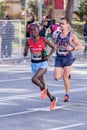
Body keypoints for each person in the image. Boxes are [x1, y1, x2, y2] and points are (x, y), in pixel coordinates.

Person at [23, 24, 57, 110]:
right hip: (34, 64)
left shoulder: (44, 40)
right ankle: (52, 98)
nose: (33, 31)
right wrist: (25, 52)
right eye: (31, 30)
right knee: (42, 82)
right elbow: (25, 53)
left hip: (43, 63)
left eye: (34, 30)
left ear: (38, 30)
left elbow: (54, 48)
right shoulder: (28, 41)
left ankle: (43, 90)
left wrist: (48, 56)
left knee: (34, 79)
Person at [54, 17, 82, 102]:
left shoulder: (71, 35)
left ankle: (67, 94)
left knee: (65, 78)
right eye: (60, 24)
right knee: (56, 77)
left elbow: (80, 45)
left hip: (67, 58)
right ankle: (65, 74)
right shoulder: (57, 35)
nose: (61, 25)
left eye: (63, 24)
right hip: (59, 57)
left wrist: (72, 48)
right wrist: (55, 47)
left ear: (67, 25)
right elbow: (55, 44)